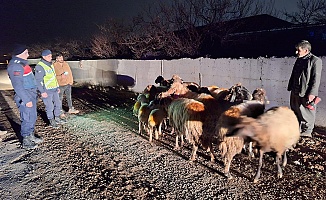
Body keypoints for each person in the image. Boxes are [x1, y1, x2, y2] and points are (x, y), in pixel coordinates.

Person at [7, 45, 43, 149]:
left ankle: (30, 135)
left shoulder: (22, 64)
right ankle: (26, 139)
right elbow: (17, 85)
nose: (28, 54)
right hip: (25, 95)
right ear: (21, 53)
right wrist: (26, 100)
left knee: (32, 116)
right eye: (26, 52)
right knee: (27, 117)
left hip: (31, 93)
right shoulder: (15, 66)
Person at [287, 40, 323, 138]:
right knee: (295, 110)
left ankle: (307, 131)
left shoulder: (315, 61)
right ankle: (296, 130)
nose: (296, 52)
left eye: (298, 50)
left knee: (307, 112)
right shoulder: (300, 59)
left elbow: (316, 78)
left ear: (306, 50)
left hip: (306, 92)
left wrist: (312, 93)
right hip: (295, 90)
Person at [34, 50, 66, 128]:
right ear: (44, 57)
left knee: (58, 104)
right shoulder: (40, 66)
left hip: (54, 89)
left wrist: (57, 86)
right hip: (47, 90)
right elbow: (38, 81)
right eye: (49, 56)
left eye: (51, 56)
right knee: (49, 106)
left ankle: (57, 118)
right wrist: (42, 91)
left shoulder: (50, 64)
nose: (51, 57)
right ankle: (51, 120)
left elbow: (54, 77)